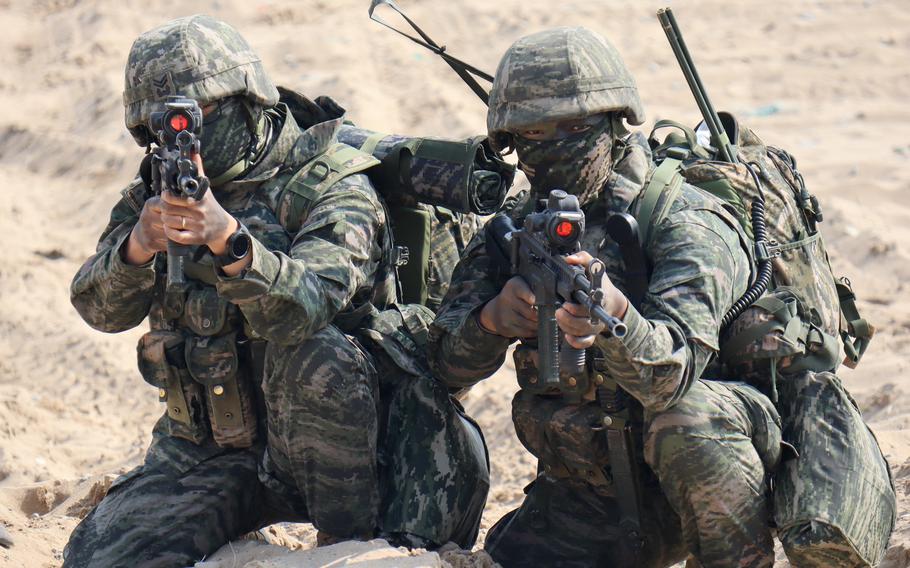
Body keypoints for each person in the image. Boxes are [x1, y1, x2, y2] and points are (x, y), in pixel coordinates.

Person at [429, 26, 894, 567]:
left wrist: (616, 316)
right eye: (531, 135)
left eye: (573, 127)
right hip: (590, 493)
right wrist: (492, 320)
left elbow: (671, 374)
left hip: (710, 483)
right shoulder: (517, 226)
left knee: (689, 418)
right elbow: (441, 364)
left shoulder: (686, 220)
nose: (552, 146)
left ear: (614, 122)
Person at [65, 14, 487, 567]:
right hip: (223, 446)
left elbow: (306, 305)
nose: (177, 141)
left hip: (366, 454)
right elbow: (98, 309)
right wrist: (137, 249)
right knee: (100, 558)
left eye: (197, 117)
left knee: (314, 351)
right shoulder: (153, 194)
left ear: (248, 100)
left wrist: (229, 242)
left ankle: (345, 541)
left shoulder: (330, 182)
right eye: (156, 129)